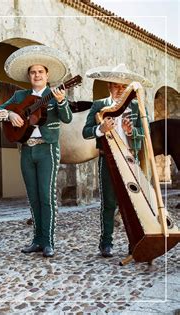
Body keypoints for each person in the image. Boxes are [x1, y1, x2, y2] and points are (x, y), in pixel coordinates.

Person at [0, 45, 73, 257]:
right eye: (33, 72)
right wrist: (9, 115)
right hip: (26, 151)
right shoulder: (20, 95)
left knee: (46, 196)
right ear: (29, 76)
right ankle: (37, 240)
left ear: (47, 75)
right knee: (33, 197)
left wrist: (62, 101)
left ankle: (48, 241)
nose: (37, 75)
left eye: (40, 72)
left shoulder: (54, 94)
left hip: (47, 149)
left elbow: (66, 118)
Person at [82, 64, 150, 257]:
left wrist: (132, 132)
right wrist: (99, 129)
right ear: (109, 87)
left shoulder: (136, 106)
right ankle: (106, 243)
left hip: (129, 160)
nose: (119, 90)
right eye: (115, 86)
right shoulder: (98, 106)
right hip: (108, 159)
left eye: (123, 87)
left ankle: (134, 242)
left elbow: (145, 134)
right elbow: (86, 132)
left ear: (127, 88)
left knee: (132, 204)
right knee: (109, 203)